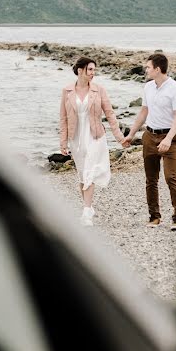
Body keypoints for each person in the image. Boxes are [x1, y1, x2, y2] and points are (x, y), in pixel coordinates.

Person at [122, 53, 176, 230]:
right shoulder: (148, 87)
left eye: (148, 67)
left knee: (171, 177)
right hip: (149, 136)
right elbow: (143, 112)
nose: (146, 70)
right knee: (151, 180)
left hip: (170, 138)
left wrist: (168, 139)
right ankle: (154, 216)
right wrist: (131, 134)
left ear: (158, 69)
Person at [59, 56, 125, 226]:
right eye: (90, 69)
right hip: (76, 138)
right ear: (80, 70)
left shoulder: (99, 90)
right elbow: (63, 118)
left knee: (89, 172)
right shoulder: (67, 91)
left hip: (95, 136)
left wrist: (119, 137)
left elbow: (110, 114)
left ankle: (87, 212)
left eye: (94, 70)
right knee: (82, 175)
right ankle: (88, 207)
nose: (93, 73)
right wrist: (63, 142)